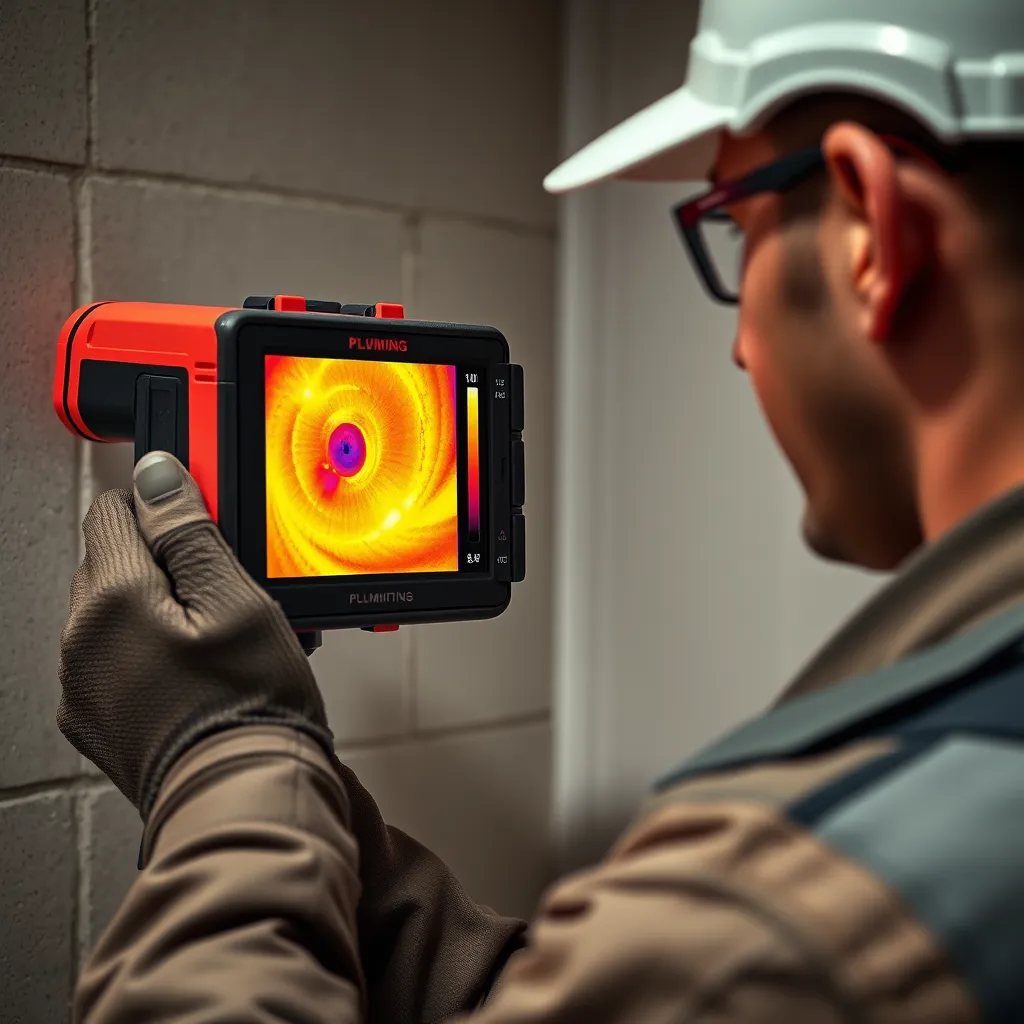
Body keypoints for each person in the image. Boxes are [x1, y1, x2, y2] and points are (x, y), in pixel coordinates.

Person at [57, 0, 1024, 1020]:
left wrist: (216, 750)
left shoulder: (785, 927)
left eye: (735, 229)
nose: (741, 345)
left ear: (873, 228)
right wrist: (293, 791)